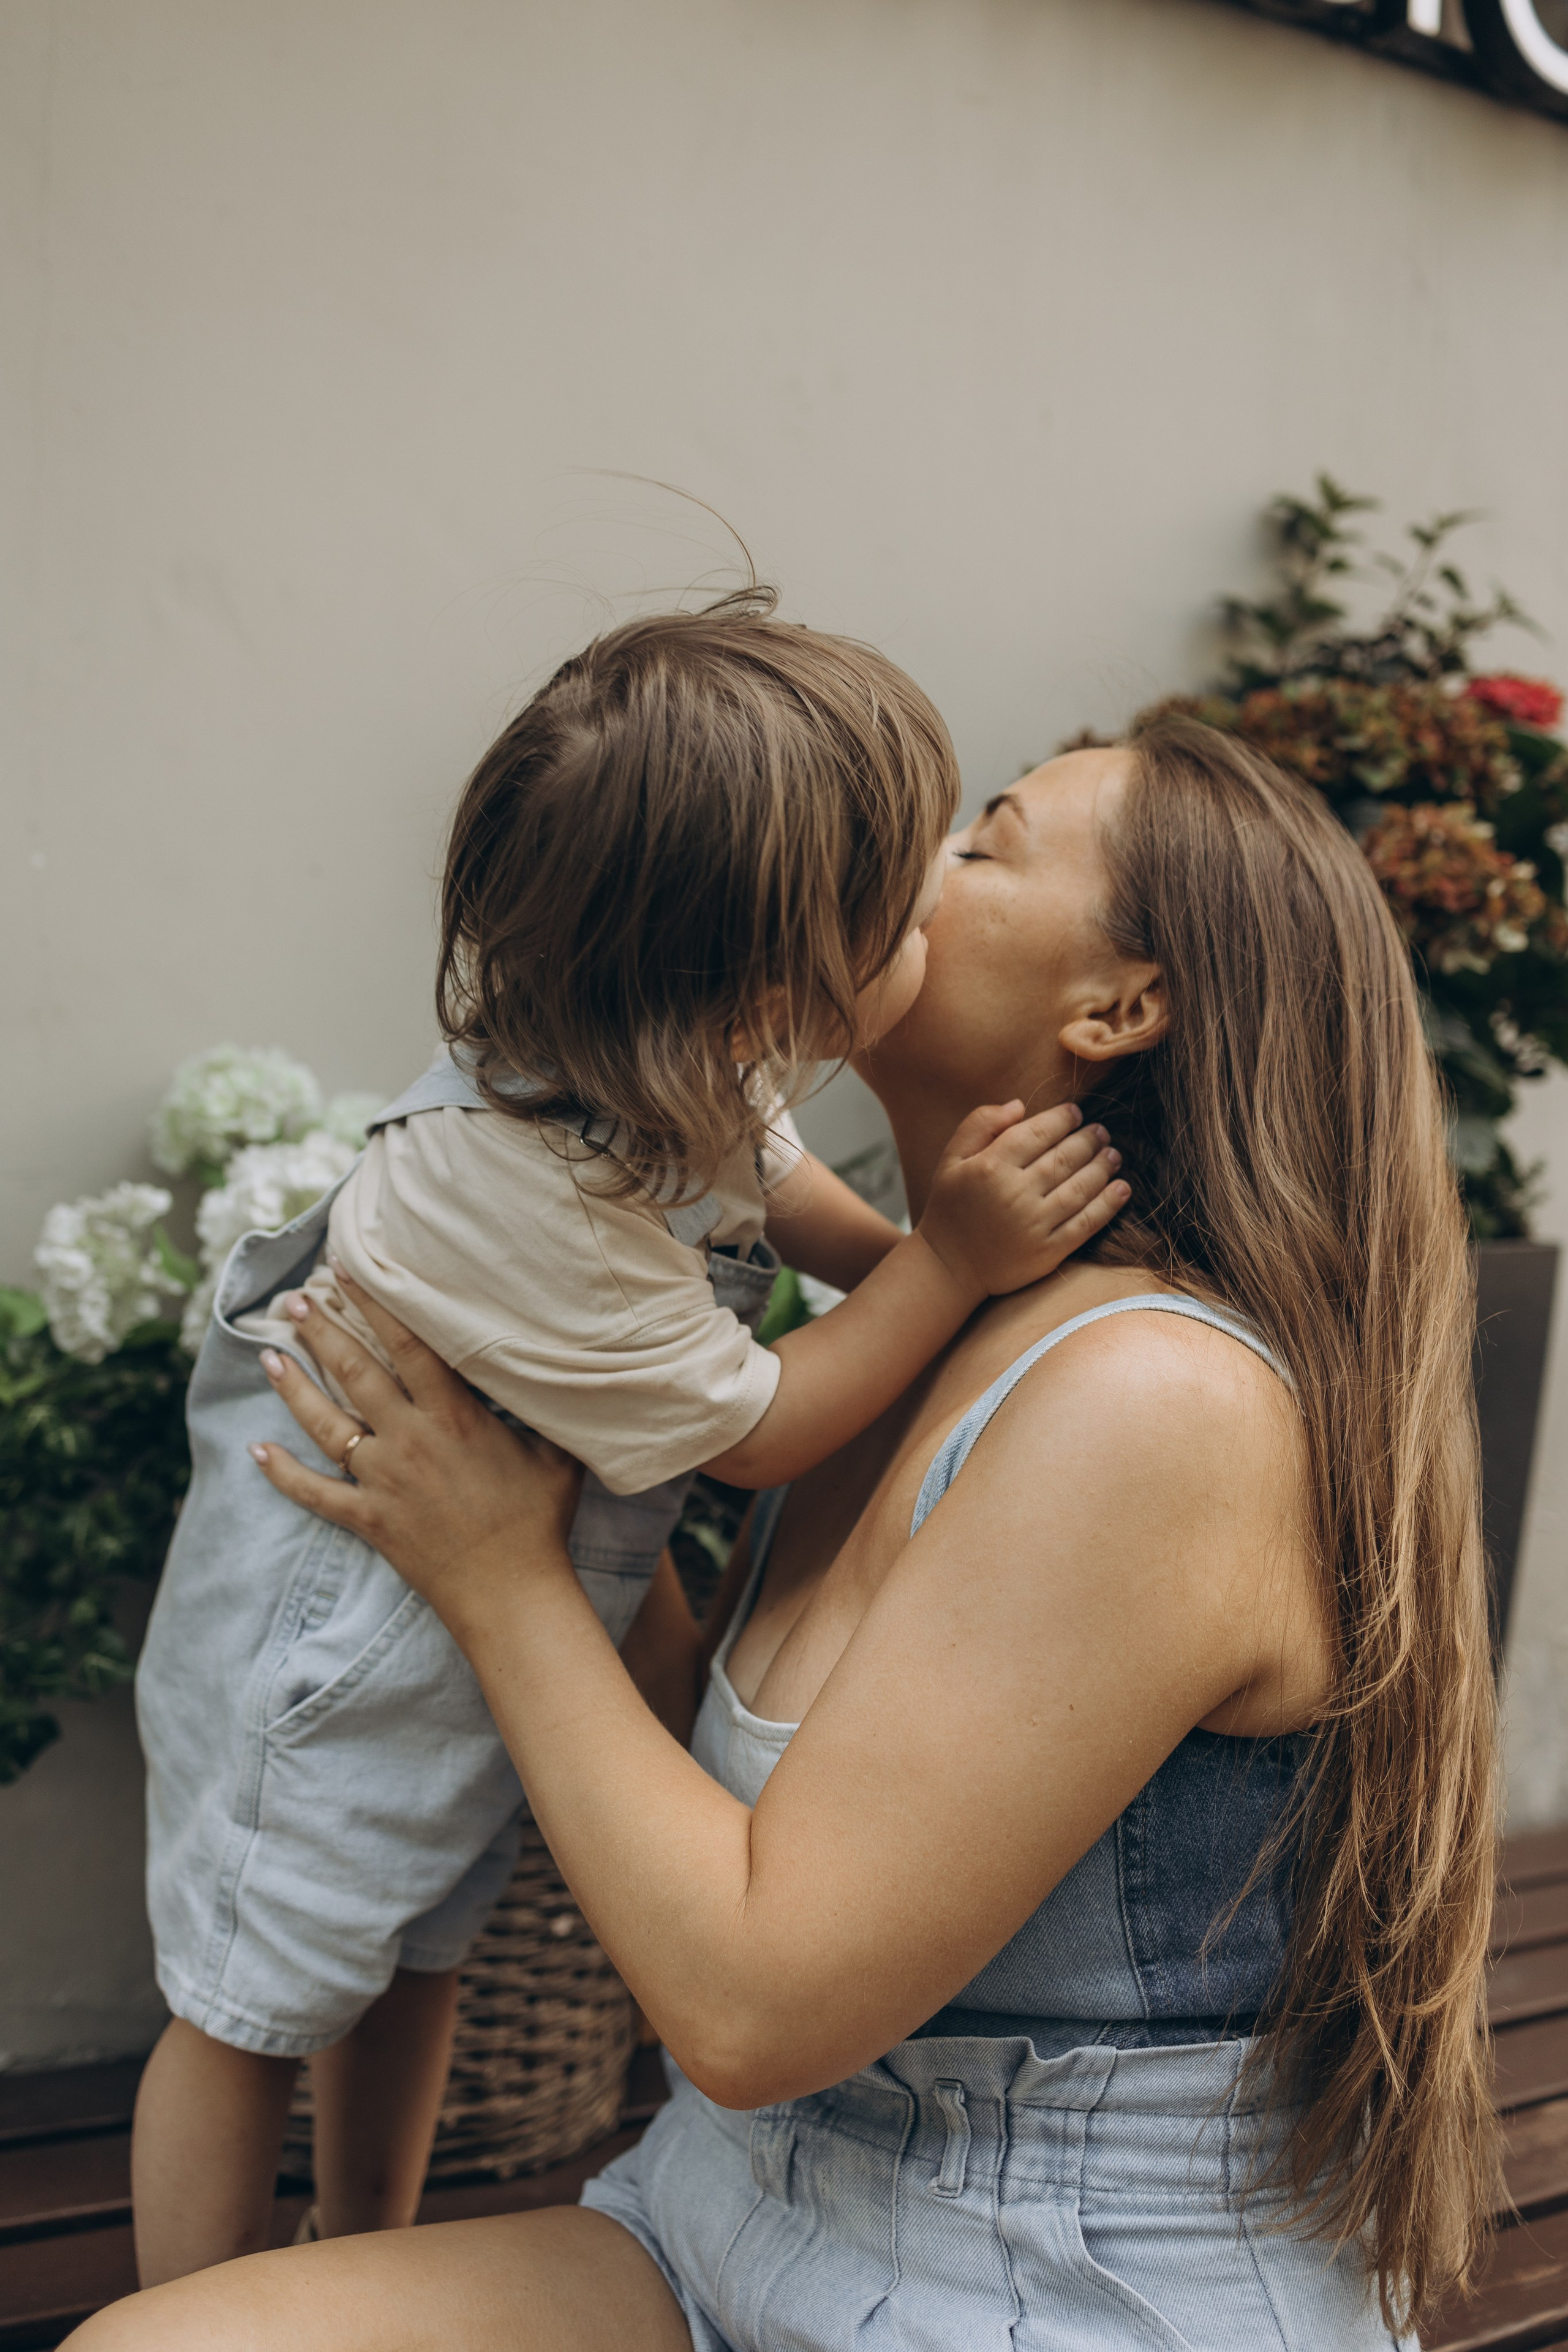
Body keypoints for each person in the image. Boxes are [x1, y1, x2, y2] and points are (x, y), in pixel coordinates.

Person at [83, 716, 1499, 2351]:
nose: (903, 869)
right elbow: (702, 1787)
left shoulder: (1151, 1402)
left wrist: (497, 1572)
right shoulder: (905, 1338)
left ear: (1119, 1008)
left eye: (982, 845)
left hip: (1047, 2288)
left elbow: (751, 2011)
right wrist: (544, 1436)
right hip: (727, 2218)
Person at [129, 590, 1126, 2285]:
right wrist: (954, 1268)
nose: (941, 905)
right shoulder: (517, 1190)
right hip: (337, 1637)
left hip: (458, 1607)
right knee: (251, 2003)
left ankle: (357, 2247)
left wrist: (925, 1269)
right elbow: (760, 1432)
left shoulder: (667, 1051)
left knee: (418, 1953)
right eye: (908, 906)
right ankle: (198, 2310)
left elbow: (780, 1192)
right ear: (763, 991)